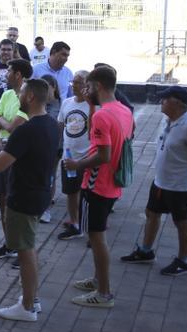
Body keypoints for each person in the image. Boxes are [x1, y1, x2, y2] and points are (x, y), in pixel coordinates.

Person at [63, 65, 133, 309]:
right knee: (97, 235)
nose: (86, 90)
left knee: (96, 238)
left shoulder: (104, 115)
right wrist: (92, 105)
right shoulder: (122, 110)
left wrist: (77, 164)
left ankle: (103, 293)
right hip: (112, 183)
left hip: (98, 183)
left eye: (90, 87)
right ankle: (97, 279)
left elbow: (103, 155)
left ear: (99, 86)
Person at [120, 86, 187, 276]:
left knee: (181, 222)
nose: (161, 102)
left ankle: (184, 261)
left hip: (180, 185)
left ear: (176, 103)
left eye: (165, 99)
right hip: (161, 181)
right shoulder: (168, 120)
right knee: (152, 212)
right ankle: (146, 251)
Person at [0, 78, 58, 322]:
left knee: (25, 250)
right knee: (28, 247)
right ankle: (32, 298)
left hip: (23, 197)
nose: (18, 94)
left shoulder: (25, 130)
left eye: (21, 91)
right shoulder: (51, 124)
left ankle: (27, 306)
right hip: (40, 193)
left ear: (30, 97)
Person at [0, 59, 32, 260]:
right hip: (2, 151)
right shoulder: (6, 94)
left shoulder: (28, 96)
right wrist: (7, 124)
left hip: (18, 155)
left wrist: (4, 123)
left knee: (17, 201)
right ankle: (9, 244)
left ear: (18, 74)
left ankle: (21, 247)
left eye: (9, 71)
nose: (5, 74)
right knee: (3, 199)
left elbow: (14, 127)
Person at [57, 70, 91, 240]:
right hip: (68, 156)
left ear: (88, 85)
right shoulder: (67, 103)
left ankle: (88, 225)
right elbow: (61, 125)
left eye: (79, 82)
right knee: (70, 192)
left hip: (87, 158)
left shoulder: (94, 106)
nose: (75, 85)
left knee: (87, 194)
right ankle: (74, 222)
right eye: (73, 82)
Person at [38, 75, 63, 224]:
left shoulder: (59, 105)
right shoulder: (36, 103)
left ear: (54, 87)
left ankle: (46, 209)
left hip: (53, 147)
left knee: (50, 177)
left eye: (47, 87)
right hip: (37, 146)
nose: (45, 91)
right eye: (42, 87)